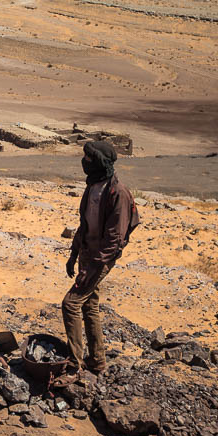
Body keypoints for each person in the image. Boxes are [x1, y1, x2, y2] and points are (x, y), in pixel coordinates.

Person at [60, 140, 139, 382]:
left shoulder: (118, 193)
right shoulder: (93, 186)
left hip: (101, 259)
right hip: (87, 253)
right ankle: (98, 360)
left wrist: (92, 269)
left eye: (89, 158)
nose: (84, 162)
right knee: (89, 305)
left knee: (70, 304)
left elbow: (113, 242)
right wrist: (74, 254)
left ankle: (75, 365)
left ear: (100, 163)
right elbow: (84, 225)